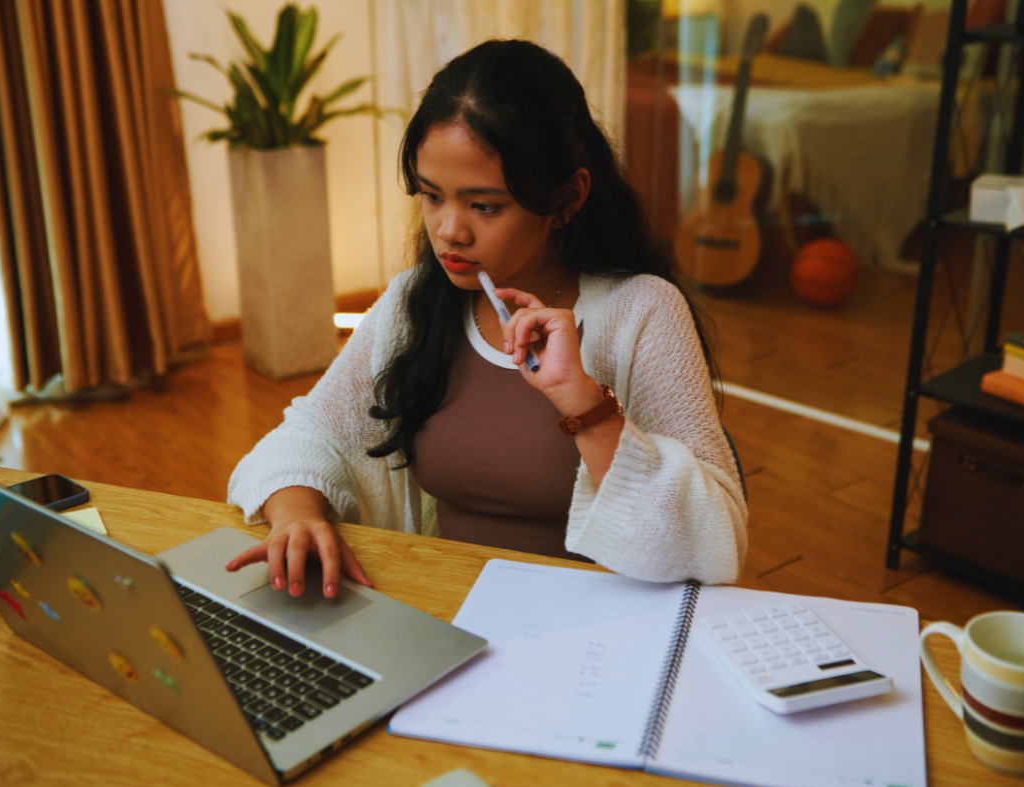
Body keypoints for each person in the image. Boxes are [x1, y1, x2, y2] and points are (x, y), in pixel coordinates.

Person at [225, 39, 747, 598]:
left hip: (592, 625)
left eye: (484, 206)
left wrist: (583, 403)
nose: (449, 230)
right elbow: (311, 434)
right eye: (431, 196)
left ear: (568, 197)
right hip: (444, 608)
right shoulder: (414, 302)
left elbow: (715, 540)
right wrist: (296, 514)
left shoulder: (643, 311)